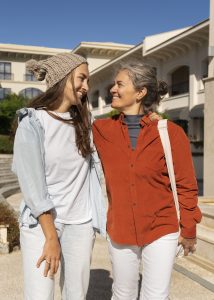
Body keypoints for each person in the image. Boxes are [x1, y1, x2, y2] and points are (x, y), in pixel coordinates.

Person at [92, 62, 202, 300]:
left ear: (140, 92)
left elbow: (186, 185)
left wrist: (189, 229)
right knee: (122, 294)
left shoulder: (171, 133)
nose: (112, 89)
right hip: (120, 228)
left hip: (162, 228)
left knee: (156, 295)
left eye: (120, 84)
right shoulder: (101, 130)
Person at [12, 52, 106, 300]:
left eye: (88, 81)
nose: (86, 88)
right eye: (82, 79)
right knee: (39, 295)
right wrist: (51, 236)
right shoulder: (33, 123)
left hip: (81, 222)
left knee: (76, 295)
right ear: (63, 78)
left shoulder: (85, 123)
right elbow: (32, 186)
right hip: (41, 226)